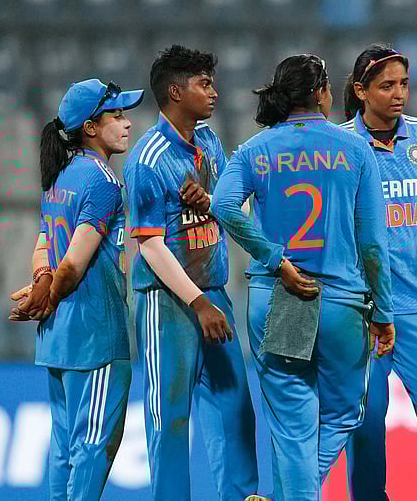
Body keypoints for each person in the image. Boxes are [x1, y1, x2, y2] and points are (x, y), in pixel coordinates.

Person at [210, 53, 395, 501]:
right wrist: (384, 311)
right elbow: (371, 243)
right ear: (319, 92)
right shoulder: (355, 149)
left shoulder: (255, 149)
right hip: (339, 301)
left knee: (292, 425)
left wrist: (275, 258)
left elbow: (223, 205)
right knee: (344, 414)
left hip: (276, 297)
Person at [123, 45, 258, 500]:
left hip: (213, 293)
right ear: (176, 91)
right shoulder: (147, 159)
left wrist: (210, 200)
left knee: (235, 406)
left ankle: (242, 496)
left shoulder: (210, 142)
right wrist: (196, 302)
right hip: (169, 303)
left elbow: (228, 207)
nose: (214, 92)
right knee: (170, 416)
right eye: (204, 83)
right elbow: (149, 244)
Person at [339, 44, 417, 501]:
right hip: (362, 310)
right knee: (367, 424)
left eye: (404, 84)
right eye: (387, 86)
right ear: (360, 91)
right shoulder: (343, 145)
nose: (399, 95)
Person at [8, 78, 143, 500]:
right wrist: (47, 291)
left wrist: (41, 291)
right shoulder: (103, 181)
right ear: (90, 127)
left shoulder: (60, 174)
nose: (126, 124)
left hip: (57, 333)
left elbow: (43, 248)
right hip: (95, 335)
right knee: (95, 445)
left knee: (64, 446)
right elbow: (73, 263)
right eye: (117, 116)